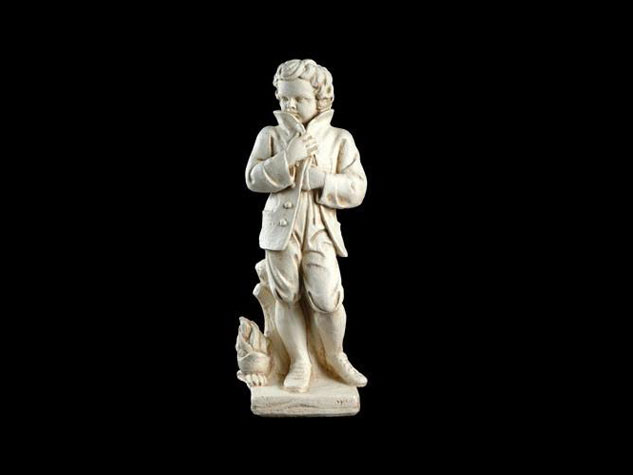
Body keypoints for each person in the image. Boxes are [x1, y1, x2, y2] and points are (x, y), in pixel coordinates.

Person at [245, 59, 367, 393]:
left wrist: (323, 180)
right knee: (286, 296)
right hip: (280, 229)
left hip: (319, 228)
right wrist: (288, 157)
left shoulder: (339, 139)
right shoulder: (271, 135)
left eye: (299, 98)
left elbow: (357, 187)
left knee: (327, 297)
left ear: (321, 99)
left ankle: (335, 355)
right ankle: (300, 362)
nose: (290, 105)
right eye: (285, 98)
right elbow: (253, 178)